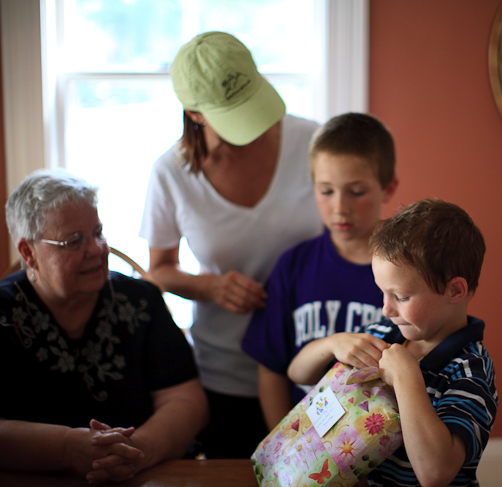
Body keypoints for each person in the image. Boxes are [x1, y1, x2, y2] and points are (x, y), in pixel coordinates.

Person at [139, 31, 323, 458]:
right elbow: (158, 270)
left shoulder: (315, 142)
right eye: (236, 114)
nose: (258, 126)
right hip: (226, 374)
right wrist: (211, 287)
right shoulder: (170, 174)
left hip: (313, 368)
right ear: (195, 114)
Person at [0, 170, 208, 484]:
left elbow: (187, 401)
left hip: (148, 476)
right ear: (28, 253)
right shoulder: (3, 313)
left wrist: (140, 449)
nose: (97, 249)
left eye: (98, 232)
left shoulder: (141, 302)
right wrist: (67, 448)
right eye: (74, 241)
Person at [288, 198, 498, 487]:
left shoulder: (470, 371)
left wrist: (407, 377)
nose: (386, 309)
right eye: (382, 293)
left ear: (455, 290)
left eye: (401, 297)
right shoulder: (381, 332)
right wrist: (332, 343)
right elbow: (298, 373)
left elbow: (435, 473)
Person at [242, 112, 399, 429]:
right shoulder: (294, 266)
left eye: (356, 192)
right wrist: (281, 442)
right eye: (326, 191)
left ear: (388, 188)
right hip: (302, 447)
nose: (340, 207)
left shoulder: (408, 270)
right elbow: (271, 367)